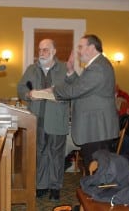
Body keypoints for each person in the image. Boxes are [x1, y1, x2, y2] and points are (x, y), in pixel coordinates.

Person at [46, 34, 119, 174]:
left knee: (96, 169)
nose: (78, 51)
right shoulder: (97, 65)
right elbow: (83, 86)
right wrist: (71, 72)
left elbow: (76, 90)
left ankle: (97, 193)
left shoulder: (98, 67)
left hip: (97, 128)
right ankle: (94, 191)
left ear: (92, 48)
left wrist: (53, 90)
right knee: (93, 166)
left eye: (80, 47)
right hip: (94, 127)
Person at [17, 39, 69, 201]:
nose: (42, 53)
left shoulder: (64, 68)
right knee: (39, 153)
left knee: (56, 154)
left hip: (57, 119)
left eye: (46, 50)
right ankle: (41, 185)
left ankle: (55, 187)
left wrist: (57, 92)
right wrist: (28, 94)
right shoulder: (31, 69)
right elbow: (21, 88)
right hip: (36, 118)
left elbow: (72, 89)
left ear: (54, 51)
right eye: (40, 50)